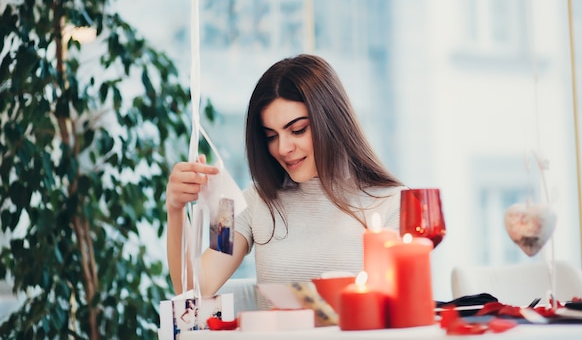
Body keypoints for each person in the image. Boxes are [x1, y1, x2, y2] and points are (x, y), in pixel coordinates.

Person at [166, 54, 404, 299]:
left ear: (332, 122)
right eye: (271, 136)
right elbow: (194, 288)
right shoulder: (250, 202)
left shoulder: (392, 202)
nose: (282, 148)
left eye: (298, 130)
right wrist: (175, 209)